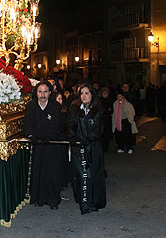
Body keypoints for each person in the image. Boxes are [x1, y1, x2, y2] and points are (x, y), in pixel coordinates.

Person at [23, 81, 67, 210]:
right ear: (36, 93)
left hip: (52, 144)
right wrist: (37, 136)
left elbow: (57, 127)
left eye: (45, 91)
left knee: (52, 172)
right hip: (37, 145)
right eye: (40, 91)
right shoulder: (31, 106)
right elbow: (28, 126)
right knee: (38, 171)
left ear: (50, 93)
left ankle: (53, 199)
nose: (43, 95)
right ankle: (38, 198)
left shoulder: (55, 106)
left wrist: (43, 135)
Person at [67, 83, 106, 214]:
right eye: (81, 93)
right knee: (82, 175)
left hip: (93, 147)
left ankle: (94, 201)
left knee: (94, 174)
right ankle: (84, 202)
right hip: (79, 148)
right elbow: (71, 124)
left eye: (86, 93)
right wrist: (73, 137)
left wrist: (88, 139)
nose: (84, 96)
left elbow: (98, 129)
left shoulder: (98, 109)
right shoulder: (74, 108)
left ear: (92, 95)